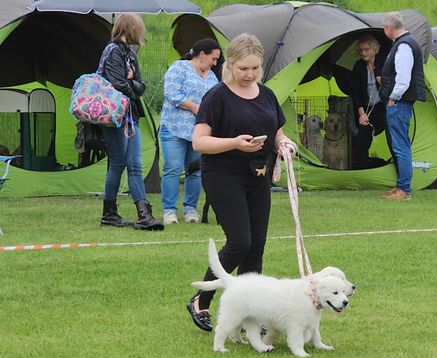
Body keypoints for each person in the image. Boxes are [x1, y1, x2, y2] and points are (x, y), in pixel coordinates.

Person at [185, 33, 297, 332]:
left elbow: (277, 132)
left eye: (255, 68)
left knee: (256, 247)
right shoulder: (216, 97)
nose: (250, 74)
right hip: (223, 176)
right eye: (243, 68)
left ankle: (250, 316)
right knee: (240, 242)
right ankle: (200, 300)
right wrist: (234, 143)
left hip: (258, 176)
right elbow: (199, 142)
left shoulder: (267, 95)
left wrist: (284, 144)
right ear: (230, 65)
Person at [99, 13, 163, 230]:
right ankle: (111, 214)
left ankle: (142, 214)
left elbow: (141, 85)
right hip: (116, 116)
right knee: (119, 163)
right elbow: (119, 84)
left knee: (133, 164)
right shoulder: (114, 51)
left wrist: (133, 85)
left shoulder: (130, 54)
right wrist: (133, 85)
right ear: (133, 28)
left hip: (130, 115)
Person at [160, 39, 221, 225]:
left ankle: (191, 210)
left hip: (199, 132)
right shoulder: (178, 67)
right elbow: (171, 94)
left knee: (195, 171)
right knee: (173, 168)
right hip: (174, 128)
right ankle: (169, 211)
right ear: (202, 54)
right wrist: (195, 107)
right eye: (213, 58)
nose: (215, 63)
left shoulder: (212, 77)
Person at [380, 12, 426, 200]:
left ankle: (404, 189)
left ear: (388, 28)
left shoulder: (404, 45)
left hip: (399, 103)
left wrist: (393, 97)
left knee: (400, 146)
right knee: (399, 144)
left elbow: (403, 79)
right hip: (401, 102)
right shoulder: (406, 43)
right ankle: (400, 185)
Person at [351, 34, 388, 169]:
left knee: (392, 138)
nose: (363, 53)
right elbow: (356, 93)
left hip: (384, 107)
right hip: (367, 108)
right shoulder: (358, 66)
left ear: (374, 49)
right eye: (361, 50)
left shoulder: (384, 62)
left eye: (366, 49)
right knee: (362, 141)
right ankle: (362, 170)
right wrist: (361, 114)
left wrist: (384, 83)